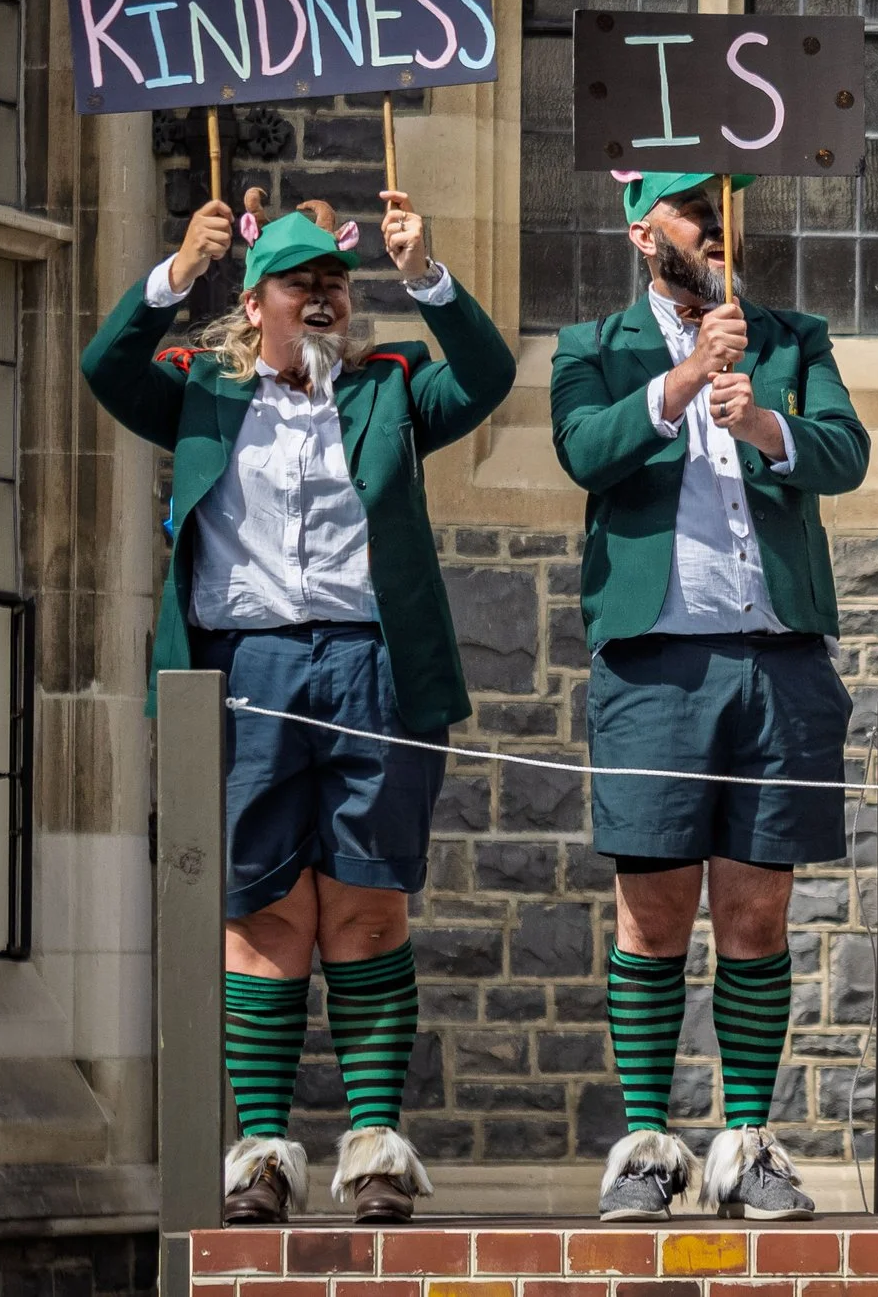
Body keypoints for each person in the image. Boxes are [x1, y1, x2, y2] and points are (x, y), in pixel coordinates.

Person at [81, 186, 516, 1225]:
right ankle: (264, 1151)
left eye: (334, 282)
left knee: (367, 902)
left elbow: (492, 376)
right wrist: (177, 269)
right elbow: (106, 368)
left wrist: (426, 275)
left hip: (373, 663)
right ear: (257, 300)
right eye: (299, 283)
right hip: (247, 668)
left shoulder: (389, 387)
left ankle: (373, 1148)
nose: (322, 298)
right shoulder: (201, 388)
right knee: (263, 907)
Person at [548, 171, 873, 1223]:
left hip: (775, 656)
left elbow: (846, 453)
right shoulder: (591, 346)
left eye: (722, 199)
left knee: (757, 907)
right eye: (692, 204)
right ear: (644, 228)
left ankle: (745, 1139)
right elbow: (585, 449)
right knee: (651, 913)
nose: (717, 220)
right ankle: (647, 1141)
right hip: (656, 659)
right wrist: (687, 376)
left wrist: (767, 421)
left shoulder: (793, 336)